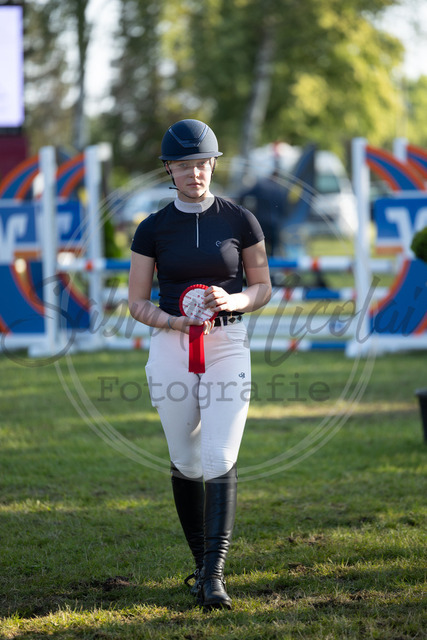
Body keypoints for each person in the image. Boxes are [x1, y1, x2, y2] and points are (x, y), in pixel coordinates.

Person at [128, 119, 271, 610]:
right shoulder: (152, 228)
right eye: (184, 165)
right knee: (187, 461)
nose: (195, 173)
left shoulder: (241, 220)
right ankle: (199, 564)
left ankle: (214, 575)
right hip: (171, 345)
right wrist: (174, 321)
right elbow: (136, 302)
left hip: (228, 344)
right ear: (169, 169)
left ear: (213, 165)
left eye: (203, 163)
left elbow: (262, 287)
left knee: (219, 457)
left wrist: (233, 299)